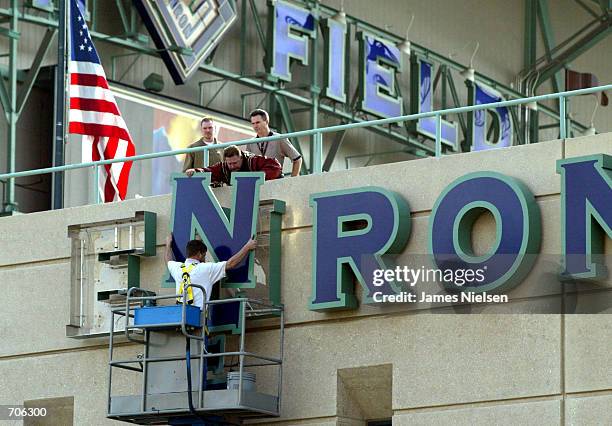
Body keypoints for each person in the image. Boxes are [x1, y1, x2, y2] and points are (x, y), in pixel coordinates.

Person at [165, 234, 257, 310]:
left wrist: (168, 244)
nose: (205, 259)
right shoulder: (206, 269)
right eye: (204, 255)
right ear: (199, 254)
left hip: (180, 317)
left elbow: (167, 260)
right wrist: (247, 247)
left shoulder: (177, 268)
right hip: (197, 318)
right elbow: (231, 264)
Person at [244, 109, 302, 176]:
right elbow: (247, 167)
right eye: (253, 123)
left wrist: (293, 180)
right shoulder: (250, 143)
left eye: (258, 122)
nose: (255, 126)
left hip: (275, 181)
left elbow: (297, 159)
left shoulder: (279, 138)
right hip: (257, 182)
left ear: (266, 121)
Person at [185, 145, 282, 185]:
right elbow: (209, 171)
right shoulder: (223, 167)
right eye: (229, 163)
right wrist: (196, 171)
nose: (232, 166)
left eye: (235, 163)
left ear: (241, 158)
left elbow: (275, 166)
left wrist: (255, 179)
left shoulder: (252, 161)